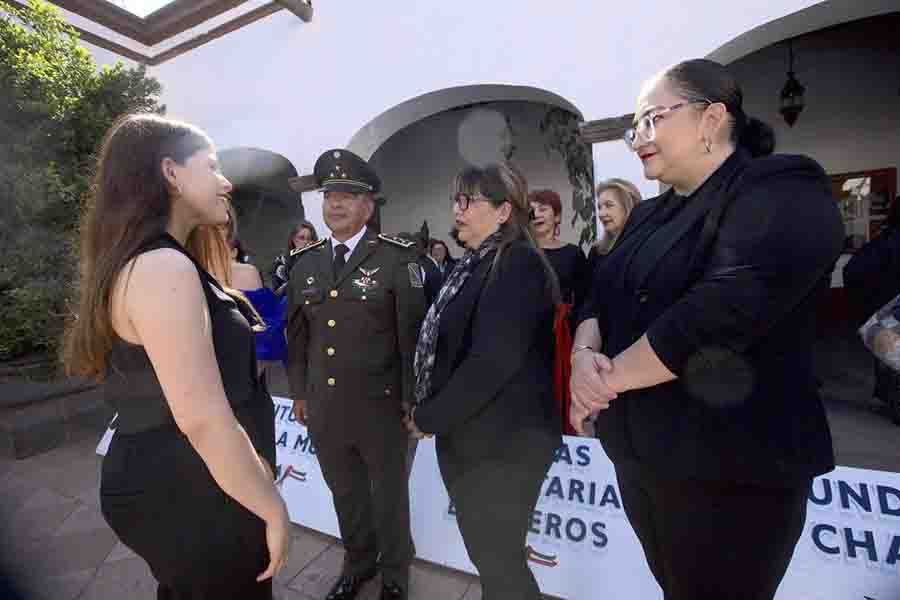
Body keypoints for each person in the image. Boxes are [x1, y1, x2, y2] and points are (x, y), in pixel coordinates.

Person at [570, 59, 843, 600]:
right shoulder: (648, 215)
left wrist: (605, 381)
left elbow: (720, 311)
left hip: (731, 471)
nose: (637, 139)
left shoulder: (780, 186)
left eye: (652, 120)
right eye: (634, 127)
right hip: (641, 457)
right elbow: (599, 291)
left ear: (711, 118)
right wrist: (583, 353)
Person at [63, 114, 289, 599]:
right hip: (187, 489)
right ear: (171, 173)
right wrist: (271, 505)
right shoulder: (161, 265)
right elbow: (203, 418)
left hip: (195, 481)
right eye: (211, 165)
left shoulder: (167, 259)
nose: (225, 180)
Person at [404, 163, 562, 600]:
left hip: (505, 445)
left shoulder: (517, 263)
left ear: (503, 211)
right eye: (456, 200)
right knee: (494, 559)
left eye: (468, 201)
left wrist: (429, 417)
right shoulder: (473, 263)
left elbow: (491, 362)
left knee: (500, 561)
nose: (457, 210)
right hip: (475, 437)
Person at [286, 149, 426, 600]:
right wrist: (300, 394)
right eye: (330, 196)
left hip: (380, 405)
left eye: (348, 196)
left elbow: (412, 338)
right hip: (325, 405)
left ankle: (395, 573)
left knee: (388, 494)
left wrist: (412, 400)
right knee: (344, 491)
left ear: (368, 206)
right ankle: (359, 561)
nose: (336, 204)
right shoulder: (304, 263)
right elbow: (298, 337)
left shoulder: (396, 259)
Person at [529, 189, 589, 435]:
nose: (536, 214)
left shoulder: (573, 254)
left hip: (561, 337)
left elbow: (586, 299)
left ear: (557, 216)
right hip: (527, 336)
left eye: (543, 208)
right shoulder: (518, 253)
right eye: (532, 209)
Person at [589, 178, 643, 267]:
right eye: (599, 207)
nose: (601, 214)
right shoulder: (596, 252)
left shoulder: (646, 248)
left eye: (609, 205)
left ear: (629, 207)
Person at [272, 220, 319, 296]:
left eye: (309, 238)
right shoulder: (281, 261)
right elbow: (277, 293)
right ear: (293, 239)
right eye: (302, 238)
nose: (306, 242)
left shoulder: (321, 259)